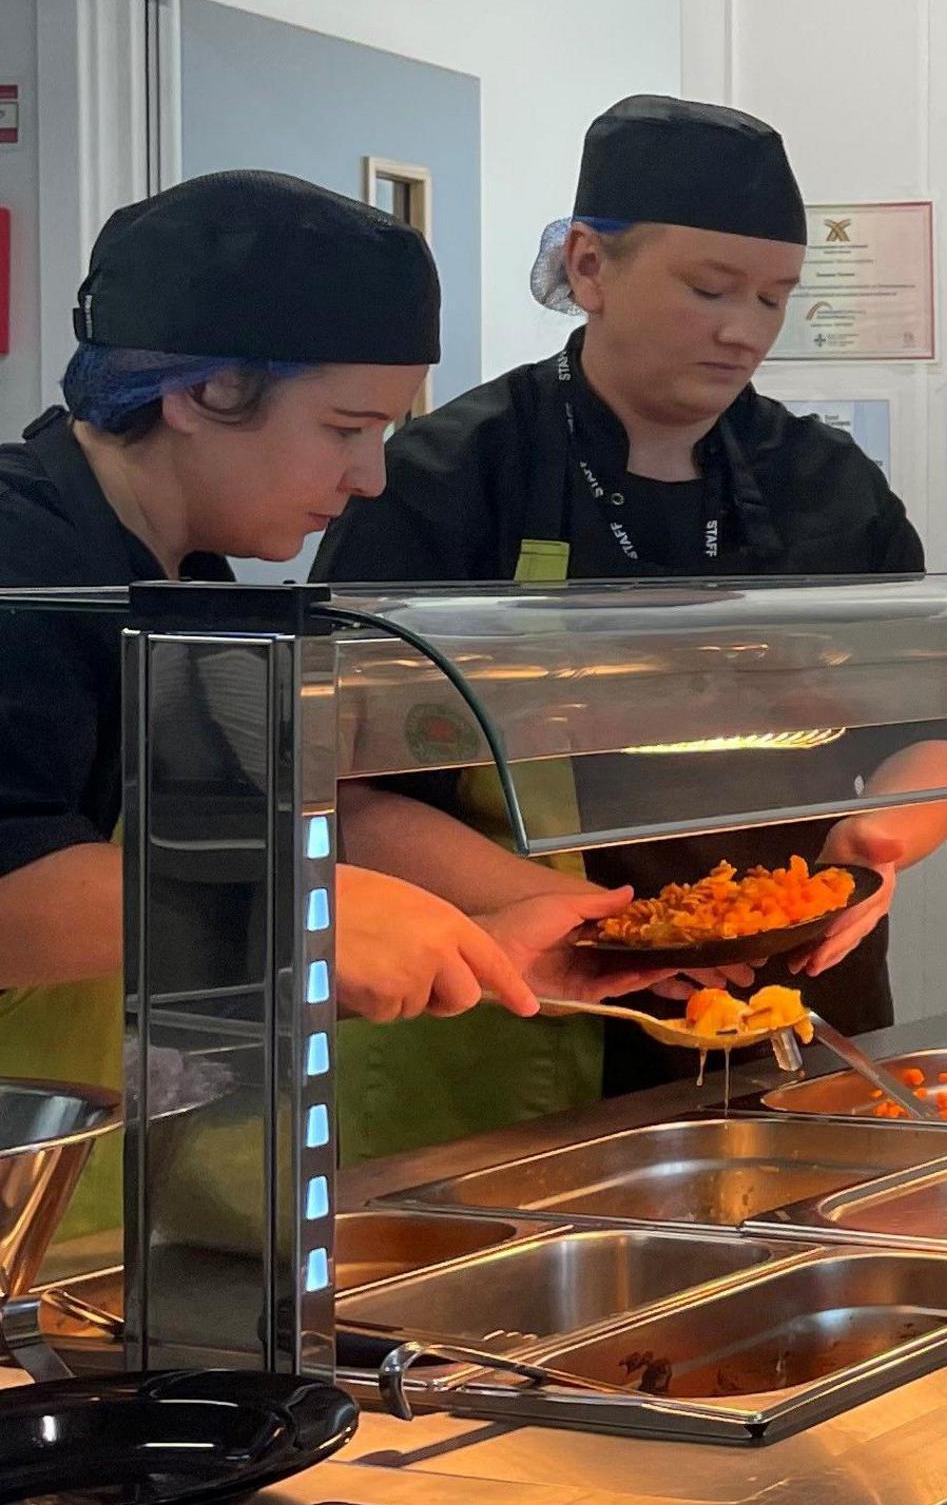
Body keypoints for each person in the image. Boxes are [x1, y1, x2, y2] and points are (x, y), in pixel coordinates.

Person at [0, 170, 648, 1244]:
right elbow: (13, 889)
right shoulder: (25, 567)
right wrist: (307, 916)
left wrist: (551, 922)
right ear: (201, 393)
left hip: (133, 1202)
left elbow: (300, 812)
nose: (371, 479)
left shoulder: (192, 584)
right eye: (347, 427)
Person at [314, 95, 947, 1131]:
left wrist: (884, 837)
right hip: (531, 997)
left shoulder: (826, 483)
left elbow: (937, 718)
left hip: (804, 994)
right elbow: (342, 785)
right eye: (709, 287)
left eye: (772, 297)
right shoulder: (449, 479)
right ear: (589, 267)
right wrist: (599, 923)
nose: (742, 328)